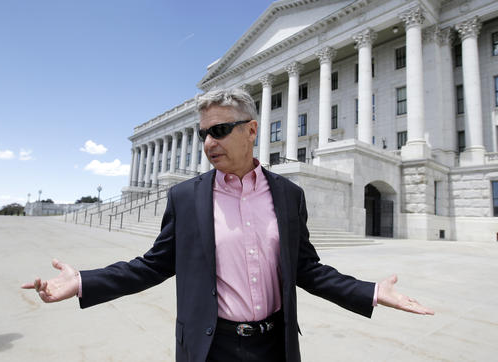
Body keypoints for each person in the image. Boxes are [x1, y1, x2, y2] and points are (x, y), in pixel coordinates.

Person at [22, 88, 434, 362]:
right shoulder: (185, 198)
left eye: (219, 131)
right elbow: (153, 265)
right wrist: (84, 282)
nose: (207, 143)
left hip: (276, 345)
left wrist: (372, 292)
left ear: (252, 131)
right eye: (204, 133)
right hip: (210, 347)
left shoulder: (289, 195)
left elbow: (306, 269)